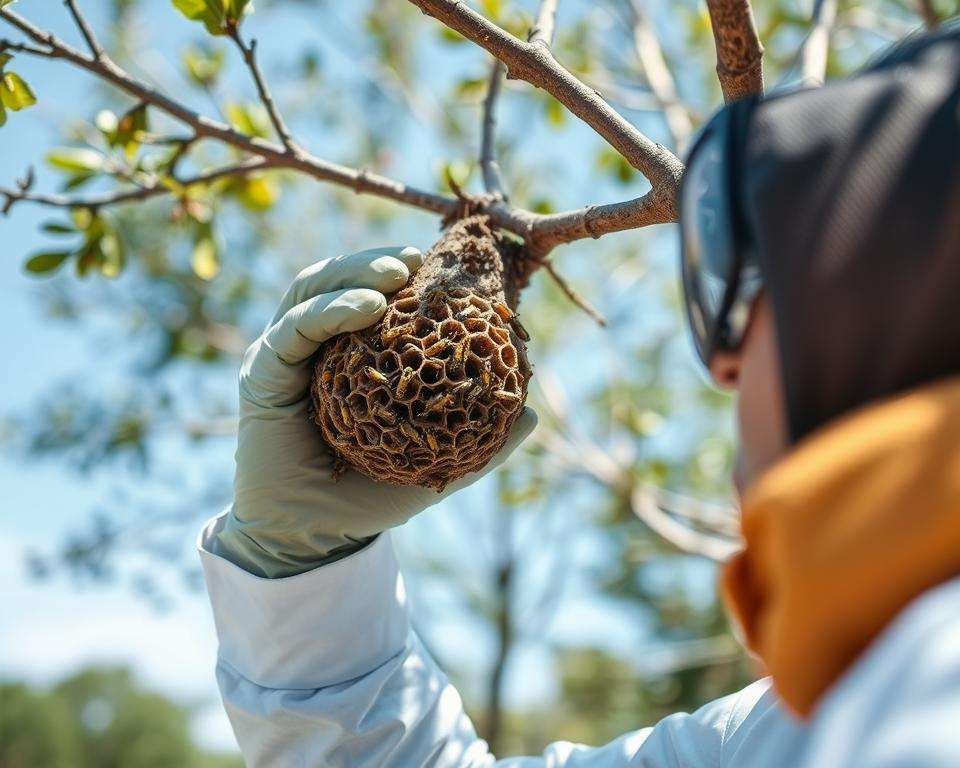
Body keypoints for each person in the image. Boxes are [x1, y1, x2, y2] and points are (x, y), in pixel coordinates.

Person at [199, 26, 960, 767]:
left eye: (756, 278)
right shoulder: (791, 723)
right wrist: (299, 568)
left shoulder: (918, 691)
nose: (724, 363)